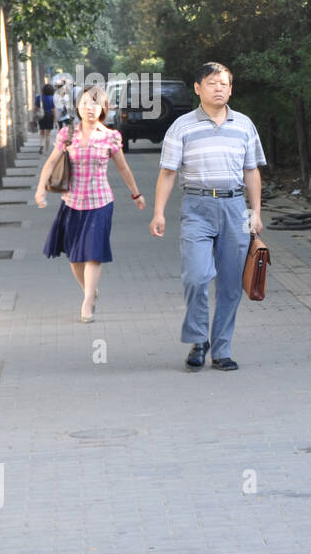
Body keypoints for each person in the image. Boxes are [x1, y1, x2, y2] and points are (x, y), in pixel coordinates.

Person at [150, 62, 265, 371]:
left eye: (224, 84)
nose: (219, 88)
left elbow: (251, 170)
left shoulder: (244, 125)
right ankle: (199, 338)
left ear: (231, 88)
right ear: (198, 88)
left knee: (229, 284)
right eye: (212, 83)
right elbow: (168, 172)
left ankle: (222, 349)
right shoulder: (182, 127)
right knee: (197, 276)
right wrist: (159, 212)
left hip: (235, 208)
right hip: (196, 208)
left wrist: (255, 212)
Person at [35, 85, 145, 322]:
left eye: (95, 104)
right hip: (71, 202)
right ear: (78, 106)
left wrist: (136, 194)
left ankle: (87, 304)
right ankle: (90, 290)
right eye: (85, 102)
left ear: (103, 108)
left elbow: (123, 168)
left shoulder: (110, 136)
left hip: (100, 202)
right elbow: (51, 163)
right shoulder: (67, 134)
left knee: (93, 254)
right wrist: (40, 190)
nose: (89, 108)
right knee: (75, 257)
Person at [33, 83, 56, 153]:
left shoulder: (39, 97)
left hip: (41, 116)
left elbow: (35, 108)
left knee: (42, 131)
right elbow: (53, 110)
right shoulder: (52, 98)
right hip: (49, 116)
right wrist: (56, 120)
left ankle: (41, 145)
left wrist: (35, 114)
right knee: (48, 134)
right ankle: (46, 151)